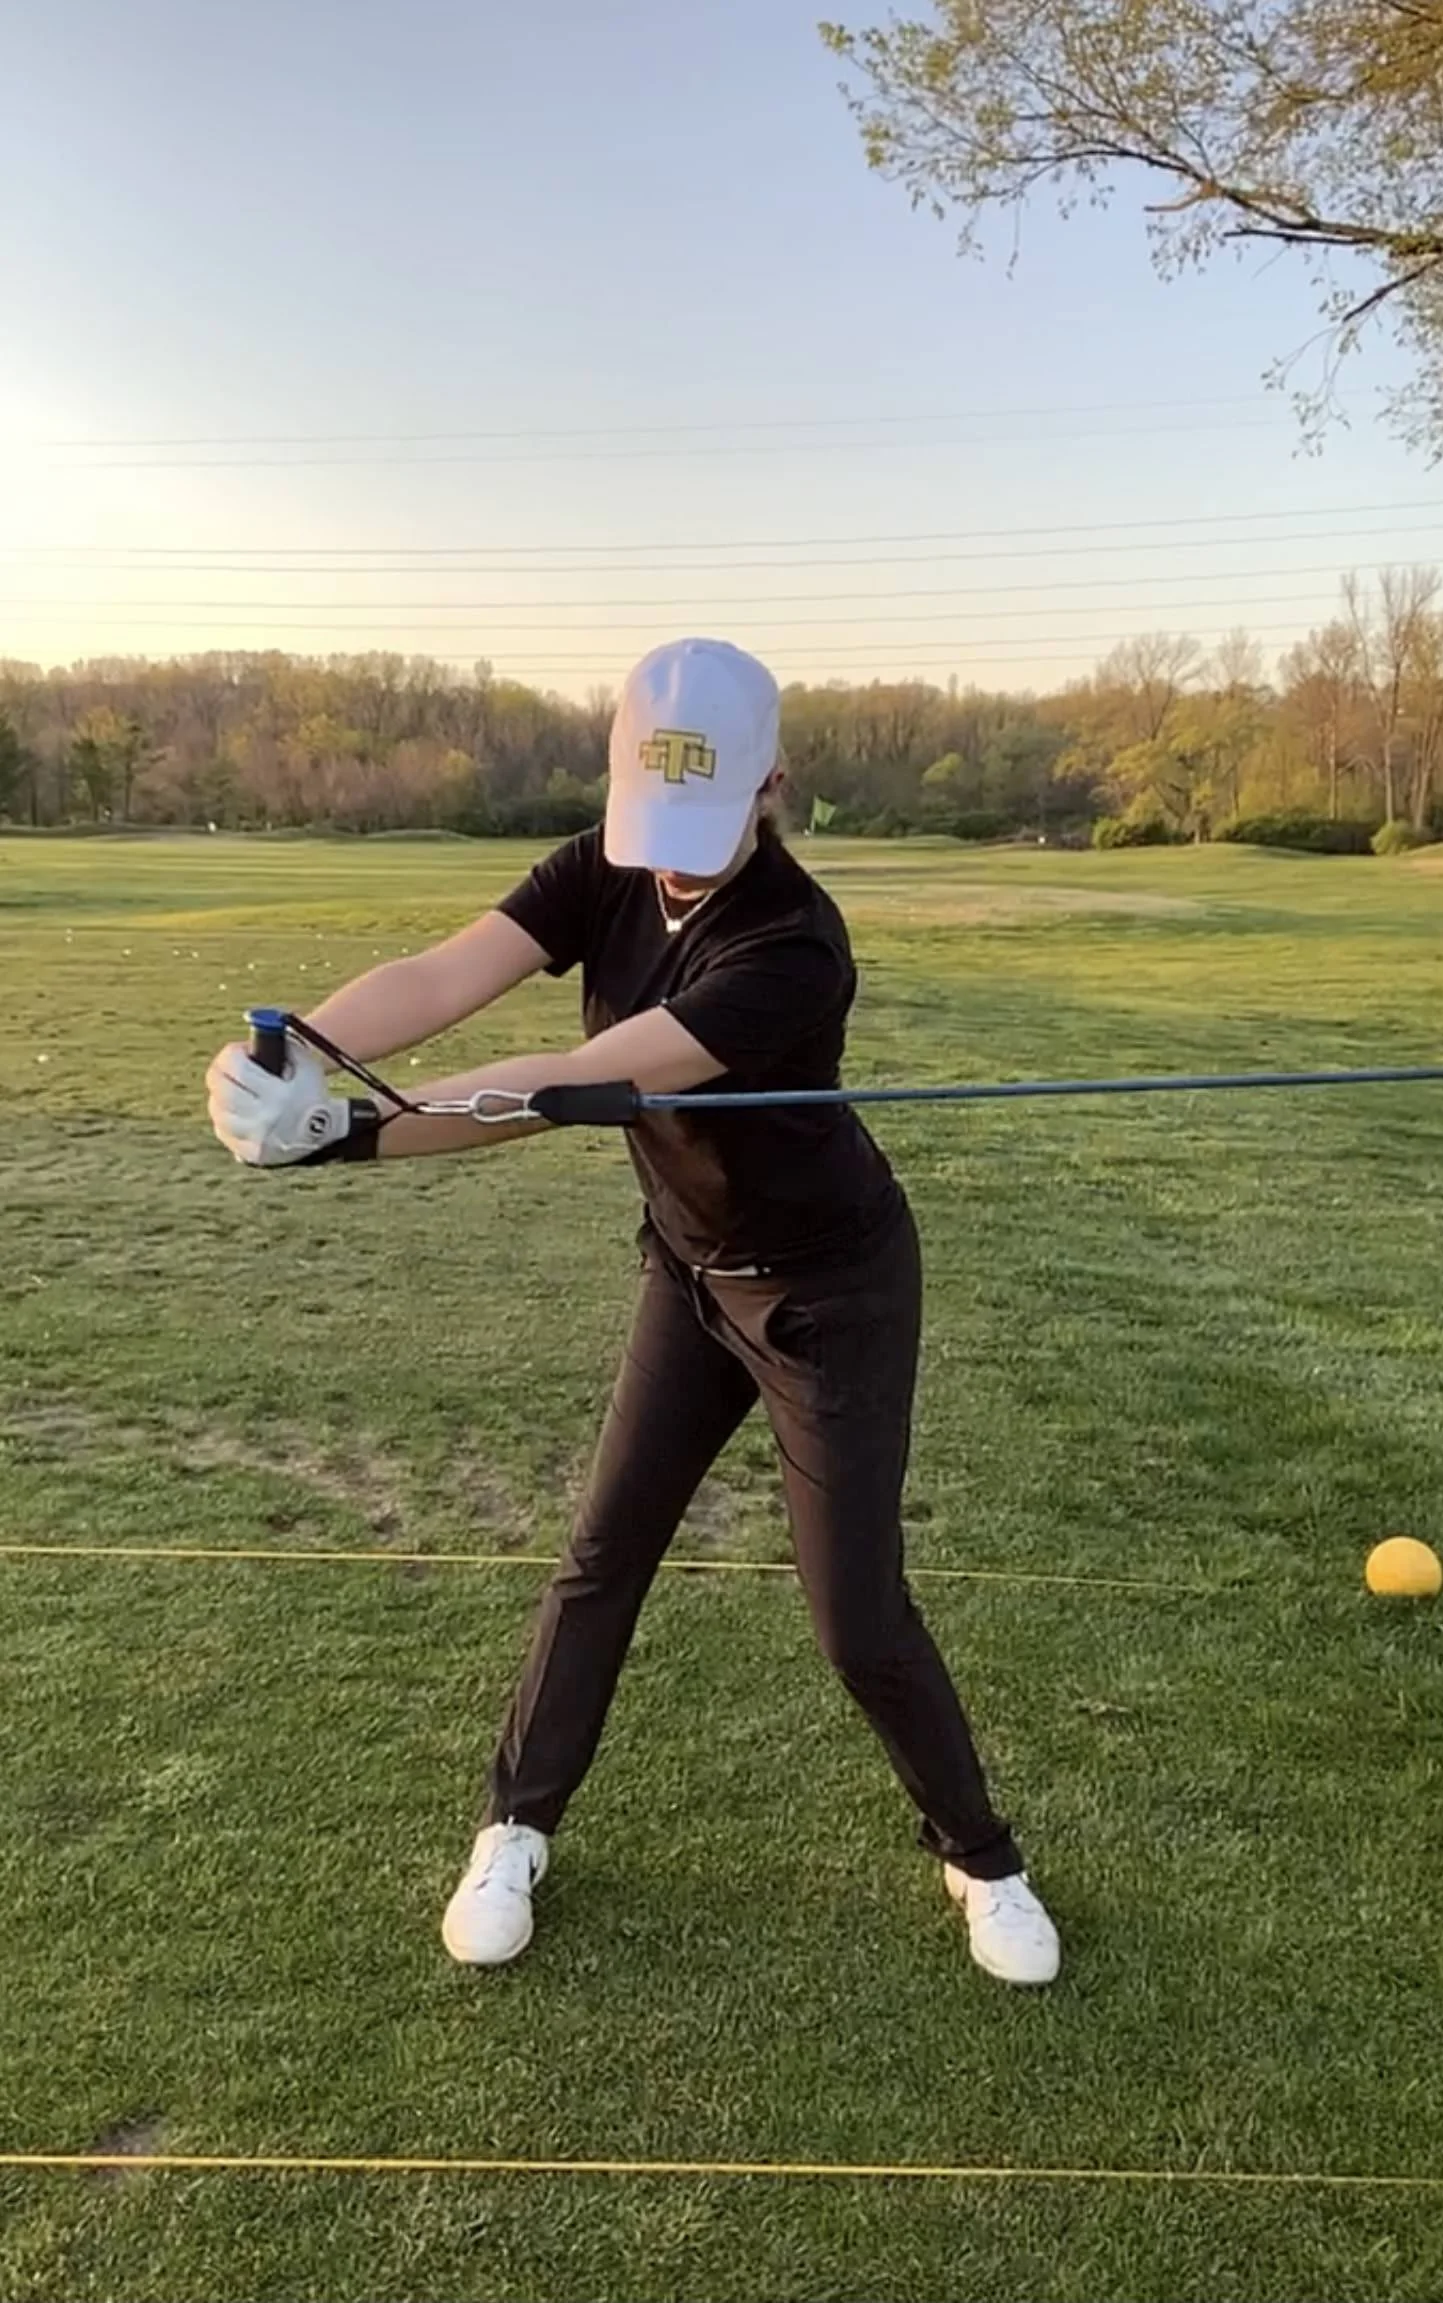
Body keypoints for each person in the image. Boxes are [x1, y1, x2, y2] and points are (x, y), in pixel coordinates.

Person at [206, 637, 1060, 1987]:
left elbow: (572, 1079)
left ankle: (983, 1857)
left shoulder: (793, 945)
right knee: (602, 1554)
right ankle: (516, 1824)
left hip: (828, 1294)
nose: (673, 862)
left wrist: (348, 1137)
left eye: (706, 822)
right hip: (688, 1273)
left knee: (855, 1617)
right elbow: (443, 974)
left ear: (772, 785)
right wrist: (297, 1052)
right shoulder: (602, 866)